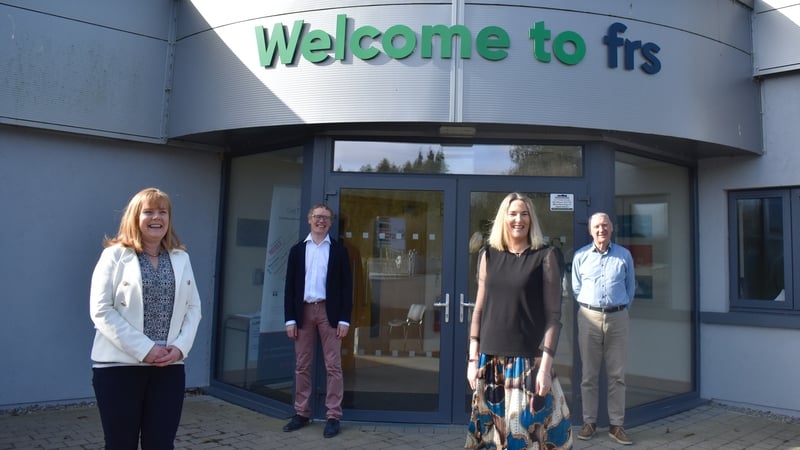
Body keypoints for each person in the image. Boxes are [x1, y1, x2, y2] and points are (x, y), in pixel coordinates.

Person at [89, 187, 202, 450]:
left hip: (169, 368)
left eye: (162, 212)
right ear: (134, 217)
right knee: (120, 444)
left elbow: (194, 308)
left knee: (161, 444)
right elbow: (101, 309)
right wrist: (145, 349)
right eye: (148, 211)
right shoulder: (114, 255)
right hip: (119, 369)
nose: (156, 217)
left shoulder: (181, 258)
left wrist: (179, 348)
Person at [465, 193, 573, 450]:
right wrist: (472, 359)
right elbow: (479, 308)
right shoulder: (488, 255)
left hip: (528, 365)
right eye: (513, 213)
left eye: (524, 214)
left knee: (524, 438)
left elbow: (554, 318)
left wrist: (545, 368)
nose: (518, 219)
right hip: (491, 363)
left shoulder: (545, 256)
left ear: (531, 220)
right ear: (503, 218)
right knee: (492, 439)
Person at [283, 204, 353, 438]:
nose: (321, 221)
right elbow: (289, 288)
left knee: (333, 366)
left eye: (325, 218)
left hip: (329, 313)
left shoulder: (339, 251)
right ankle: (301, 413)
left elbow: (346, 288)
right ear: (309, 220)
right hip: (302, 313)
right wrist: (289, 319)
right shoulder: (296, 251)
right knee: (302, 365)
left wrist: (344, 319)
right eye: (317, 217)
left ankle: (333, 415)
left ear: (331, 223)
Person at [571, 212, 636, 445]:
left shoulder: (624, 256)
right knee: (589, 374)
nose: (601, 230)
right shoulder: (580, 257)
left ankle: (616, 425)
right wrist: (591, 307)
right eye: (597, 226)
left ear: (612, 229)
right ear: (590, 230)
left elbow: (631, 288)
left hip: (617, 317)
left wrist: (620, 308)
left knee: (617, 375)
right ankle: (589, 423)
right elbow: (576, 288)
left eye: (605, 226)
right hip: (588, 317)